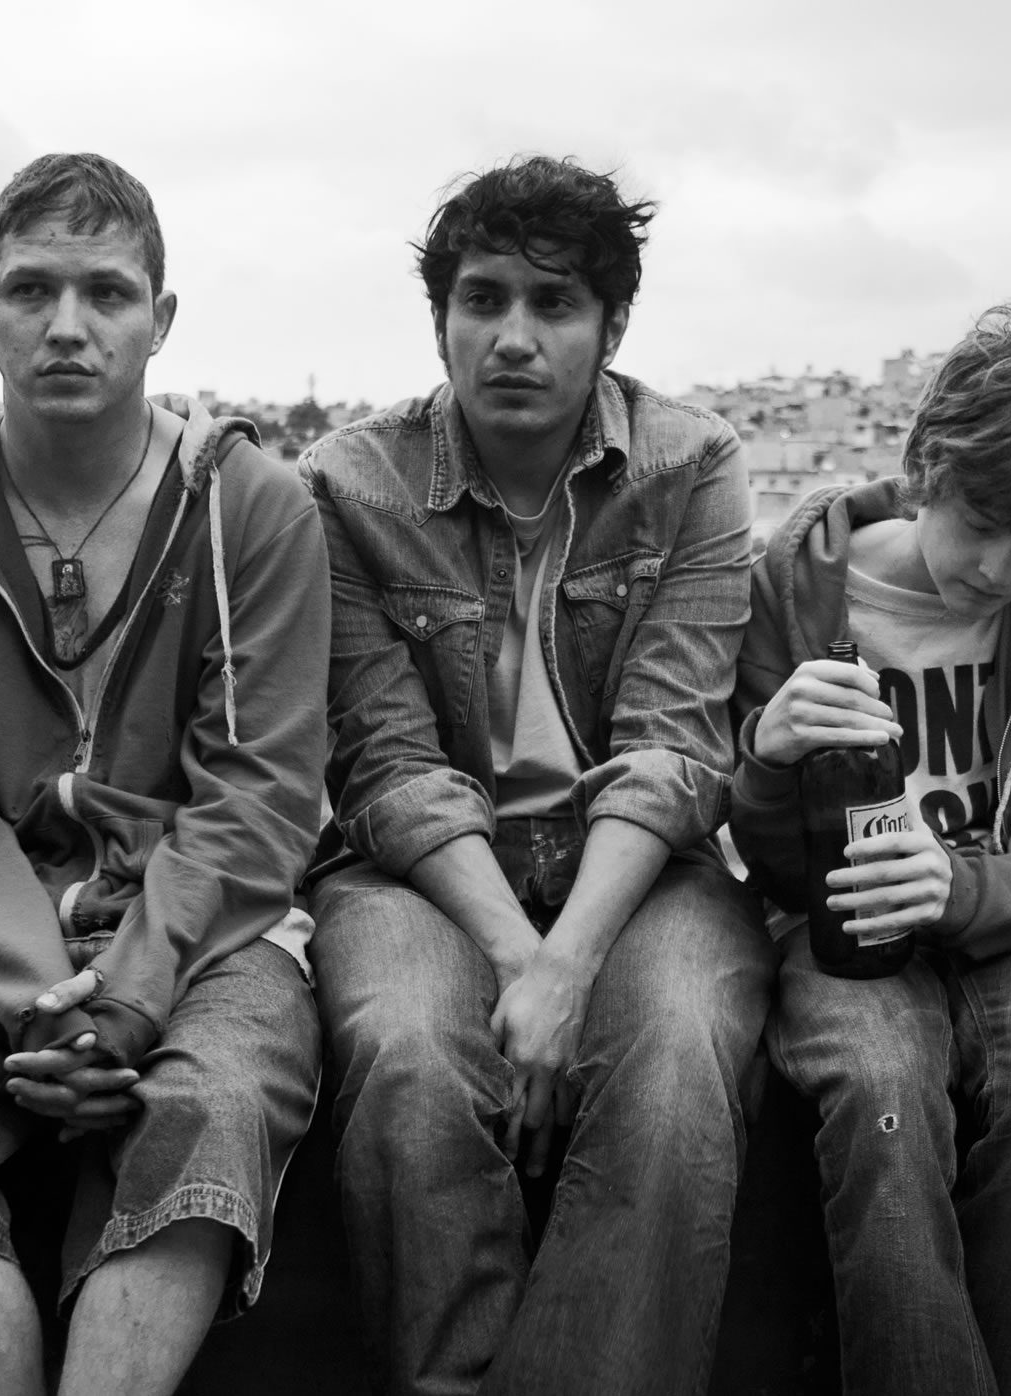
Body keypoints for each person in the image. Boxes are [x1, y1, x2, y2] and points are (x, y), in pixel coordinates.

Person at [0, 152, 330, 1396]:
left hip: (210, 921)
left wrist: (127, 999)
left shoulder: (248, 510)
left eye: (106, 292)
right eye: (32, 290)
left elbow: (256, 793)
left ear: (161, 318)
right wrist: (50, 1005)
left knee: (209, 1106)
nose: (68, 326)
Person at [301, 154, 774, 1395]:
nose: (512, 337)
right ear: (440, 321)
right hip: (420, 877)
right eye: (482, 299)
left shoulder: (688, 466)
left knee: (677, 1056)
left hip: (641, 872)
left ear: (611, 329)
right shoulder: (351, 483)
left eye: (553, 304)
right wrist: (526, 961)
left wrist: (569, 963)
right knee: (408, 1054)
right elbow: (387, 762)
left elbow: (674, 748)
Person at [730, 303, 1011, 1395]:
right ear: (925, 467)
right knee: (879, 1101)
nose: (1001, 567)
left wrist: (958, 888)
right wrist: (768, 755)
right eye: (983, 522)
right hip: (841, 923)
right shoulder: (797, 584)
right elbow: (772, 868)